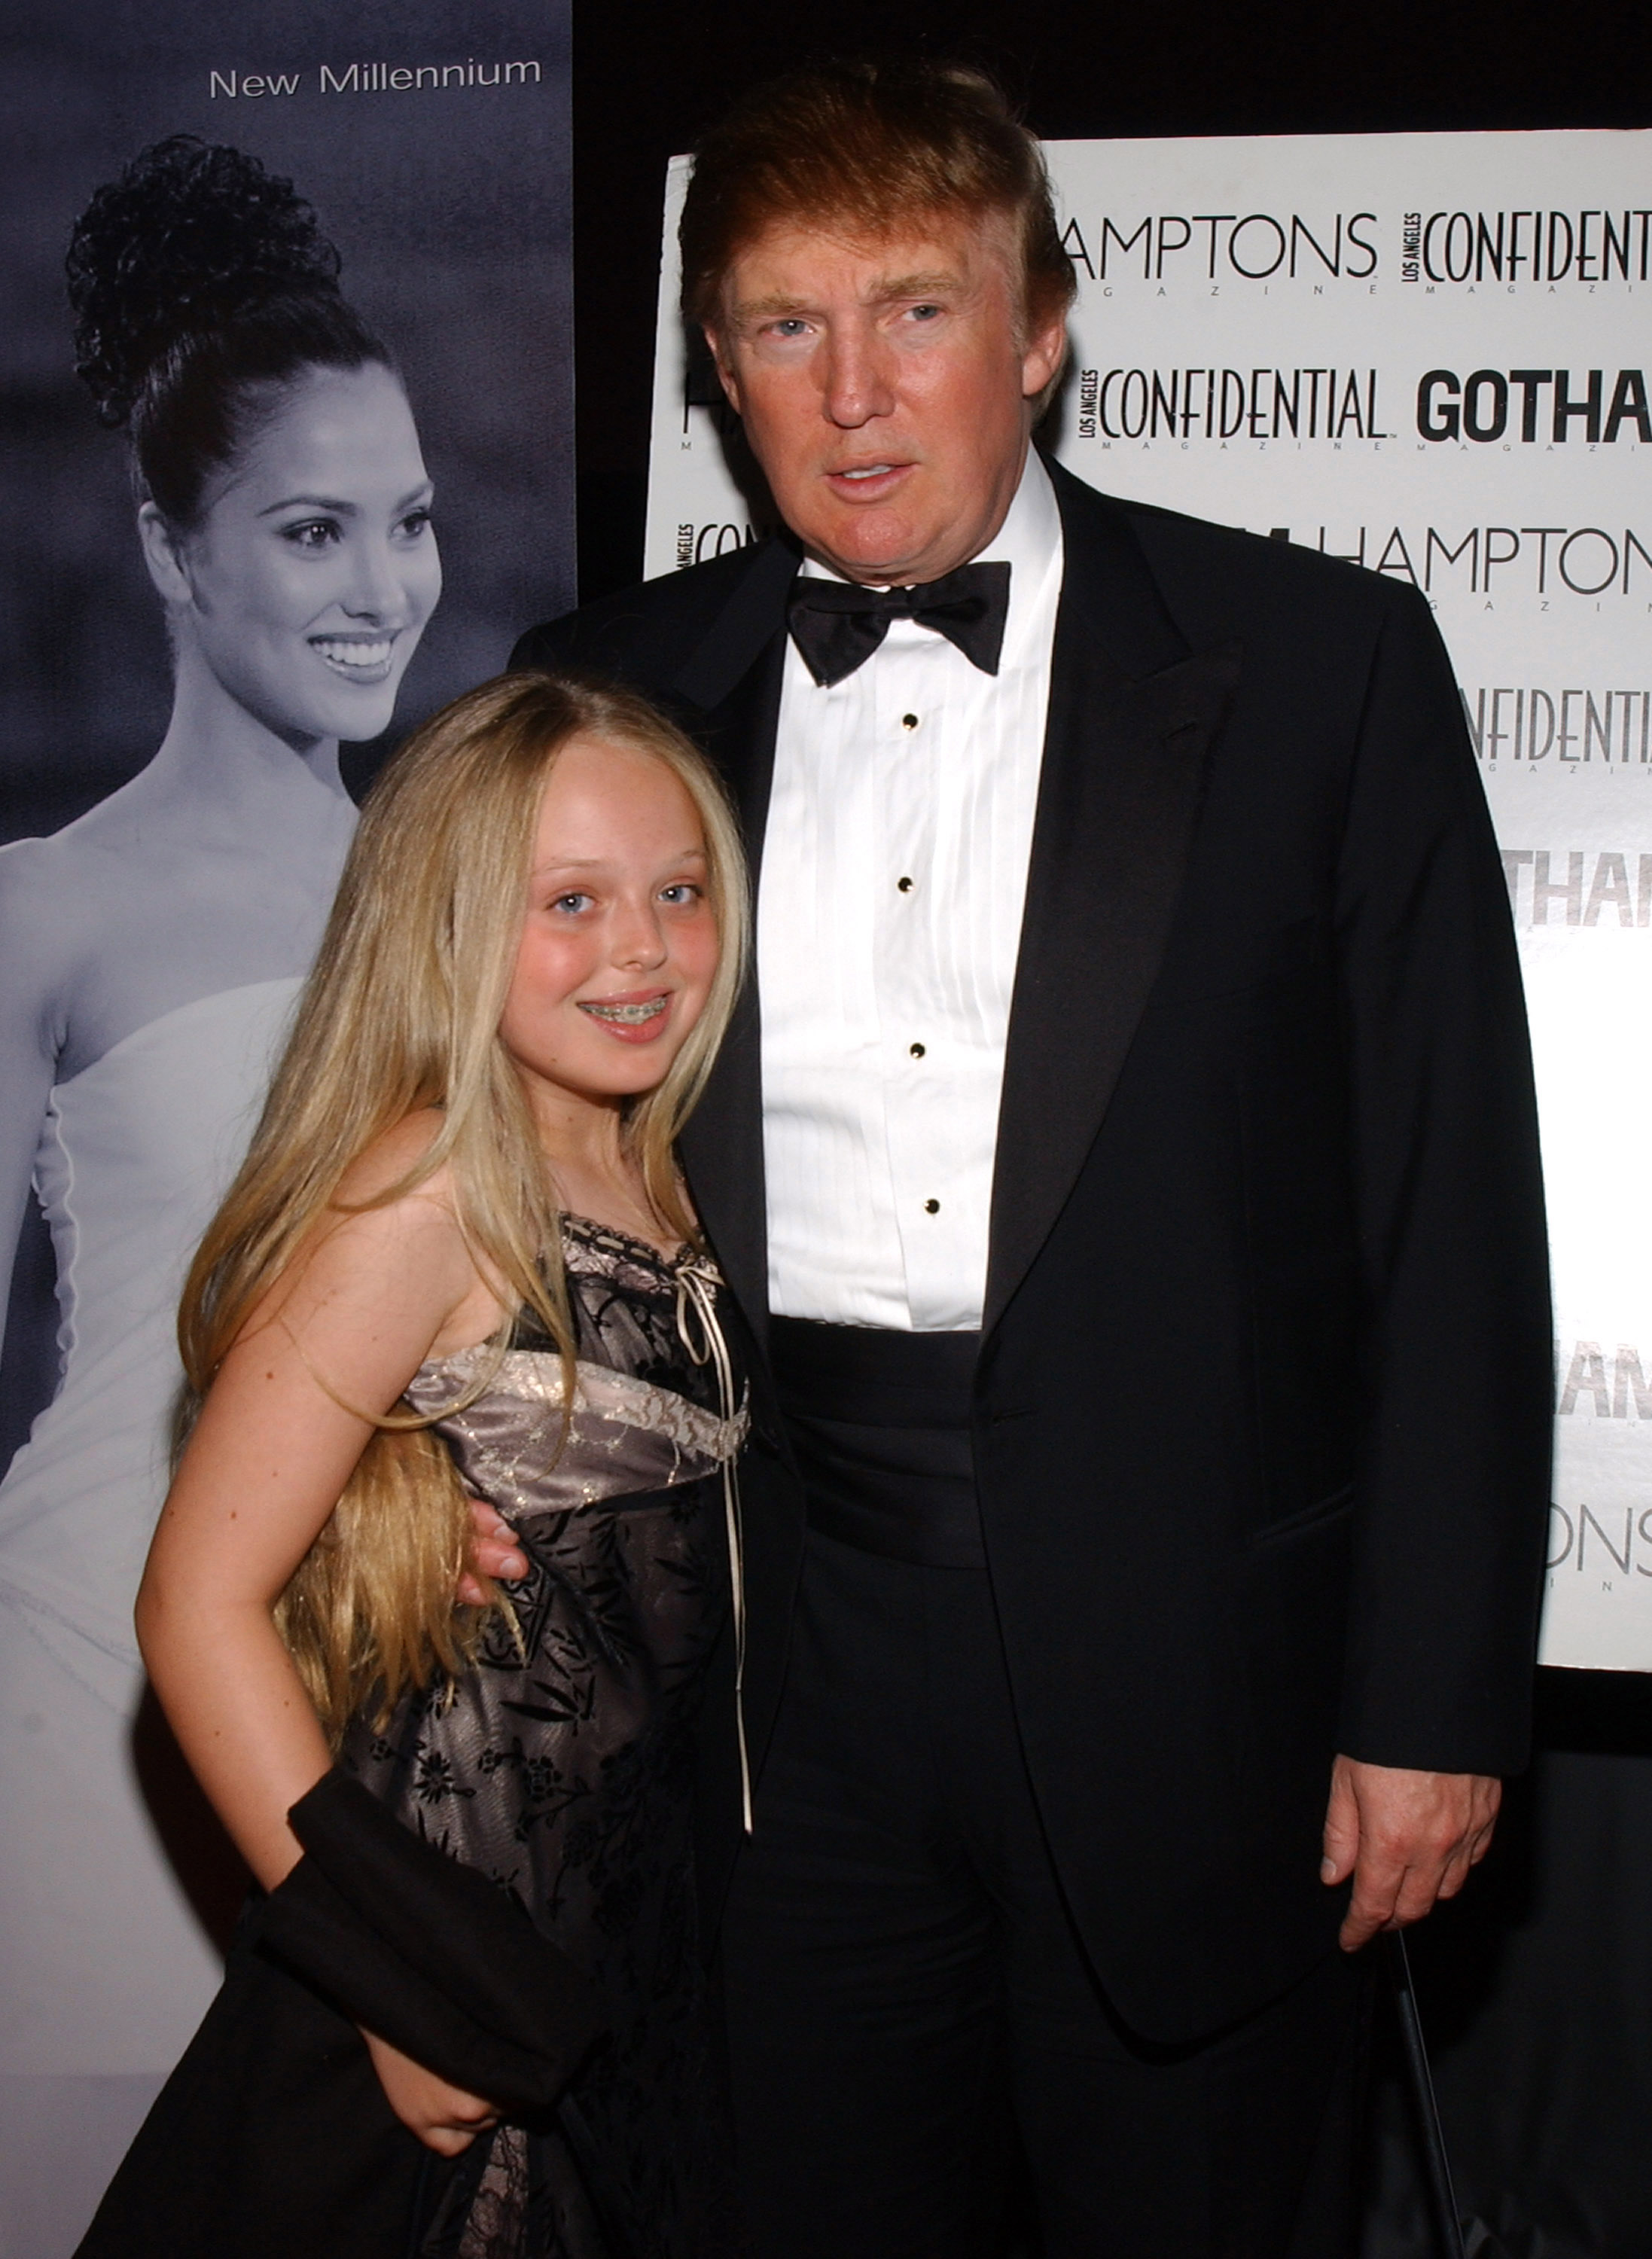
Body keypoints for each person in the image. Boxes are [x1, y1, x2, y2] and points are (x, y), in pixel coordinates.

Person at [510, 57, 1553, 2257]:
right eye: (786, 326)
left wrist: (1435, 1700)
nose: (855, 390)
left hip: (1209, 1692)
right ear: (720, 365)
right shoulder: (604, 693)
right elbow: (479, 1152)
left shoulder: (1315, 664)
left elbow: (1448, 1225)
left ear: (1043, 327)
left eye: (916, 308)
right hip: (765, 1685)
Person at [75, 669, 754, 2257]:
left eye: (677, 890)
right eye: (568, 902)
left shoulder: (682, 1168)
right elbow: (191, 1604)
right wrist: (391, 1983)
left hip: (641, 1983)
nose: (641, 948)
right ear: (447, 923)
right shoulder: (429, 1188)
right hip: (446, 1979)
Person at [0, 136, 441, 2233]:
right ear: (174, 550)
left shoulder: (471, 900)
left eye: (412, 524)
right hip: (80, 1710)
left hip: (388, 1723)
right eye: (313, 530)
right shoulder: (45, 912)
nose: (385, 587)